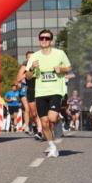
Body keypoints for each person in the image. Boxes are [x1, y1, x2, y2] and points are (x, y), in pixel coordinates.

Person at [26, 29, 71, 157]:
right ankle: (52, 146)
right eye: (42, 38)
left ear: (51, 40)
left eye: (47, 38)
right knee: (44, 122)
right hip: (40, 93)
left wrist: (61, 69)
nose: (44, 40)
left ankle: (58, 123)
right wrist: (32, 68)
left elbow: (69, 67)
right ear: (39, 40)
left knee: (52, 118)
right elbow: (28, 76)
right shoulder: (35, 56)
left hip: (56, 90)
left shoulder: (60, 53)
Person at [17, 53, 42, 140]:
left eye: (32, 57)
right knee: (33, 112)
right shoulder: (24, 66)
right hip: (29, 89)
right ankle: (33, 125)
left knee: (39, 111)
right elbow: (18, 78)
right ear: (26, 58)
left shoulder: (39, 64)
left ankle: (40, 130)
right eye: (29, 57)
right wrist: (27, 74)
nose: (31, 59)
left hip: (40, 89)